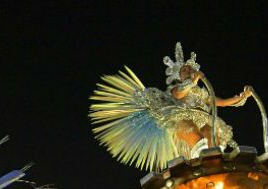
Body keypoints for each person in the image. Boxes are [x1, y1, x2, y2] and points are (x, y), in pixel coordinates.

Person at [90, 42, 253, 171]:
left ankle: (215, 164)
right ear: (179, 75)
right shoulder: (178, 88)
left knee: (211, 134)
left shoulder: (203, 93)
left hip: (204, 119)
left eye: (189, 68)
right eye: (184, 70)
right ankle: (201, 165)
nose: (187, 70)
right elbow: (179, 94)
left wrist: (241, 97)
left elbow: (222, 102)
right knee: (195, 136)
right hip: (183, 117)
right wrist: (192, 81)